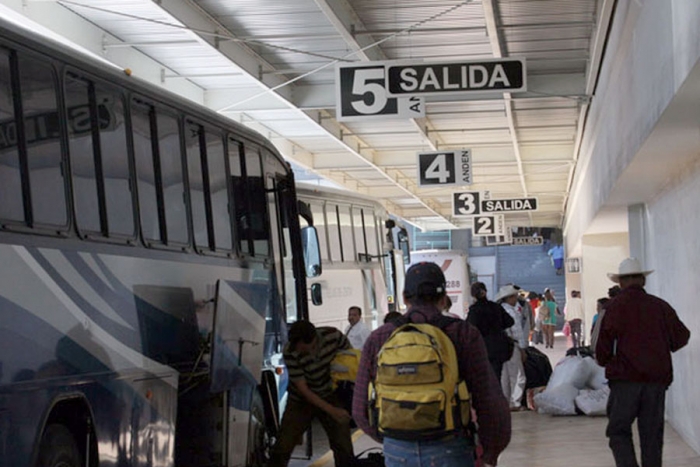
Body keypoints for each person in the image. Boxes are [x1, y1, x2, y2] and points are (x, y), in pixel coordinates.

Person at [353, 262, 511, 467]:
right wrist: (491, 451)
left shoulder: (379, 337)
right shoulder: (462, 334)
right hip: (450, 447)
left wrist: (393, 439)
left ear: (404, 297)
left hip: (397, 449)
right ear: (443, 297)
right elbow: (488, 400)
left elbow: (359, 409)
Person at [596, 258, 690, 467]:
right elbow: (681, 337)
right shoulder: (660, 307)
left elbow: (601, 350)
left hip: (625, 382)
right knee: (652, 436)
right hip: (656, 382)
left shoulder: (613, 308)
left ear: (620, 283)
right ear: (643, 281)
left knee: (618, 431)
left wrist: (609, 361)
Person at [269, 321, 355, 467]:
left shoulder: (333, 336)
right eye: (297, 346)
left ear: (314, 340)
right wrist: (333, 411)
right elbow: (304, 390)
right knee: (284, 444)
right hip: (300, 400)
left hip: (331, 393)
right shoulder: (290, 351)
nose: (299, 350)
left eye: (303, 347)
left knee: (343, 445)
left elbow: (350, 360)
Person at [466, 281, 515, 380]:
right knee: (497, 376)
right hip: (499, 347)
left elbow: (470, 329)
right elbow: (510, 321)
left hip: (482, 349)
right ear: (486, 292)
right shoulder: (496, 306)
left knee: (485, 378)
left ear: (473, 295)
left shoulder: (474, 310)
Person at [495, 284, 527, 411]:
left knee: (506, 377)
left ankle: (506, 402)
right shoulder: (510, 312)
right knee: (519, 375)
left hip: (504, 346)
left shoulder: (504, 310)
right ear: (510, 298)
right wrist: (522, 348)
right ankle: (515, 402)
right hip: (513, 345)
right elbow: (516, 332)